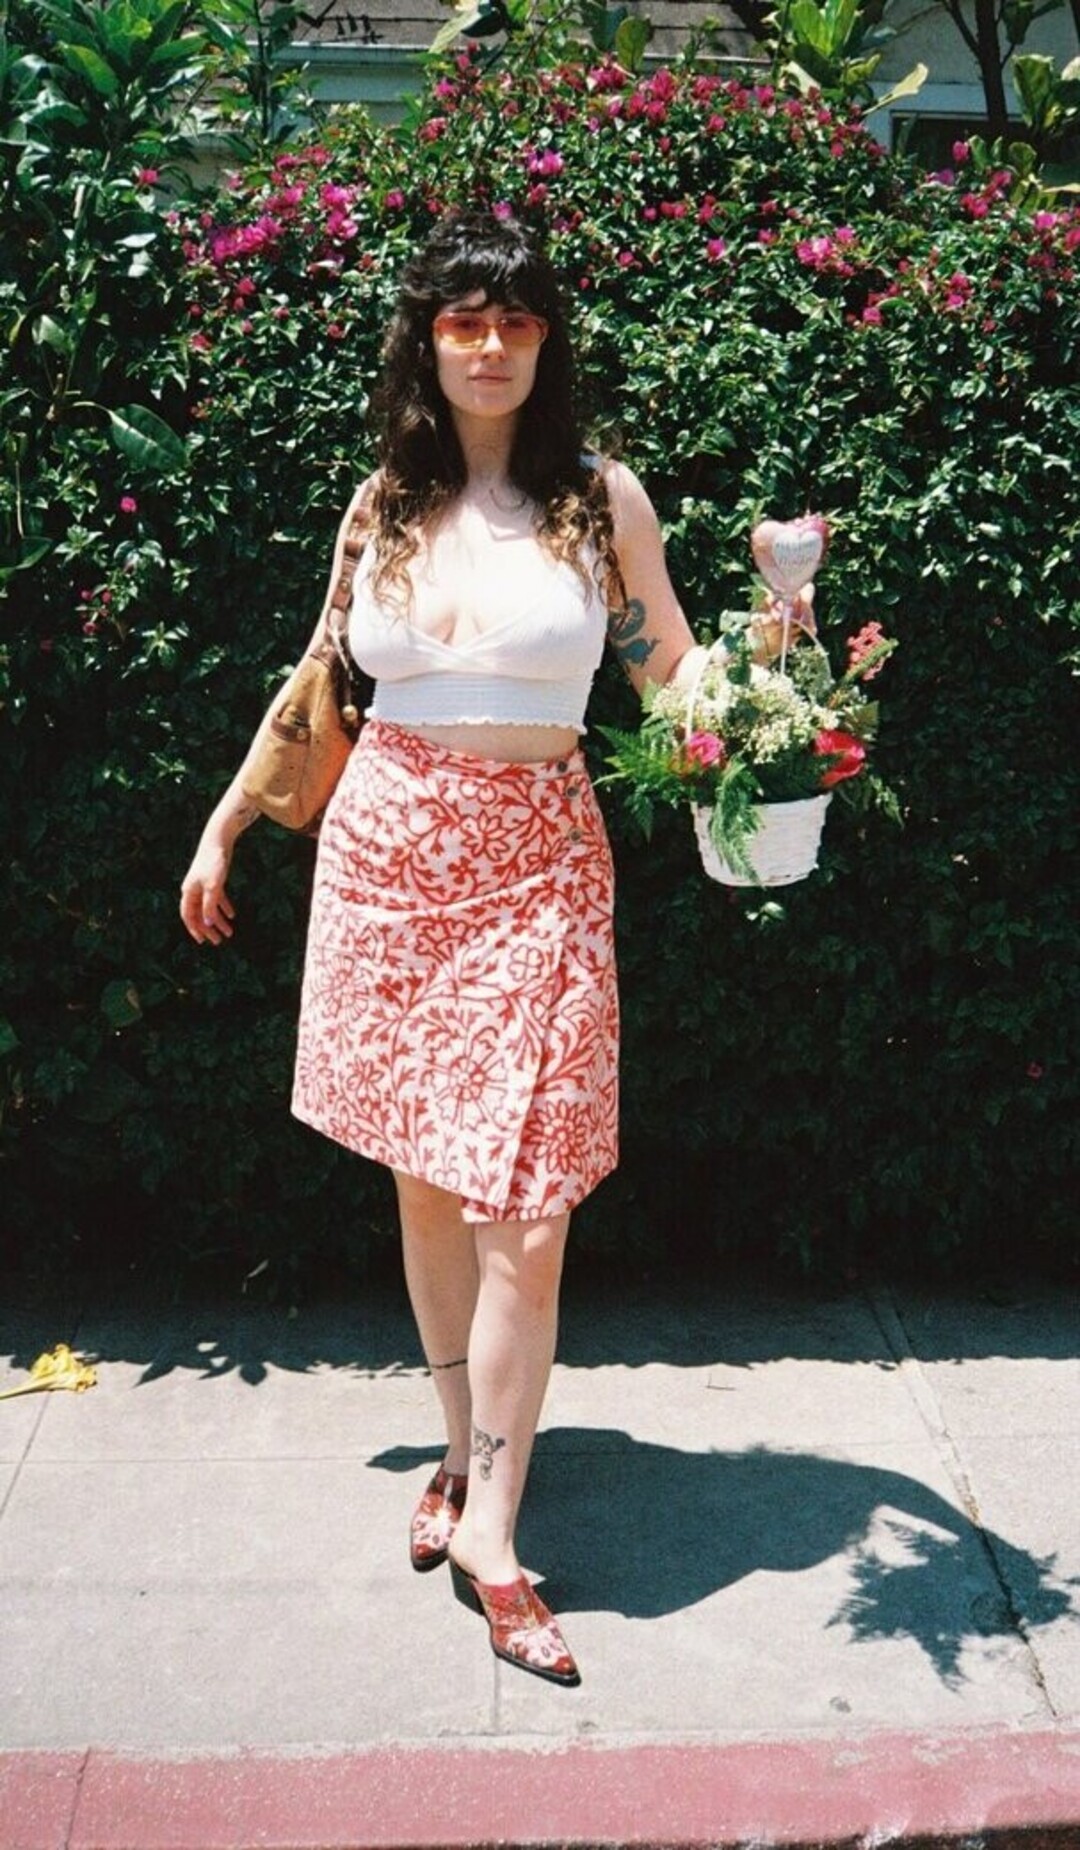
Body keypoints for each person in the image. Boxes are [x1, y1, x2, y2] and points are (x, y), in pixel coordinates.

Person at [180, 207, 718, 1688]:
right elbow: (319, 684)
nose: (490, 345)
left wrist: (775, 705)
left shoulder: (600, 500)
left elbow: (673, 671)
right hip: (389, 867)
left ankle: (493, 1529)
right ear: (429, 340)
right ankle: (457, 1447)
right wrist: (224, 826)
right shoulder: (383, 505)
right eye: (464, 321)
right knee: (426, 1182)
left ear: (546, 343)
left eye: (517, 321)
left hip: (542, 866)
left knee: (528, 1211)